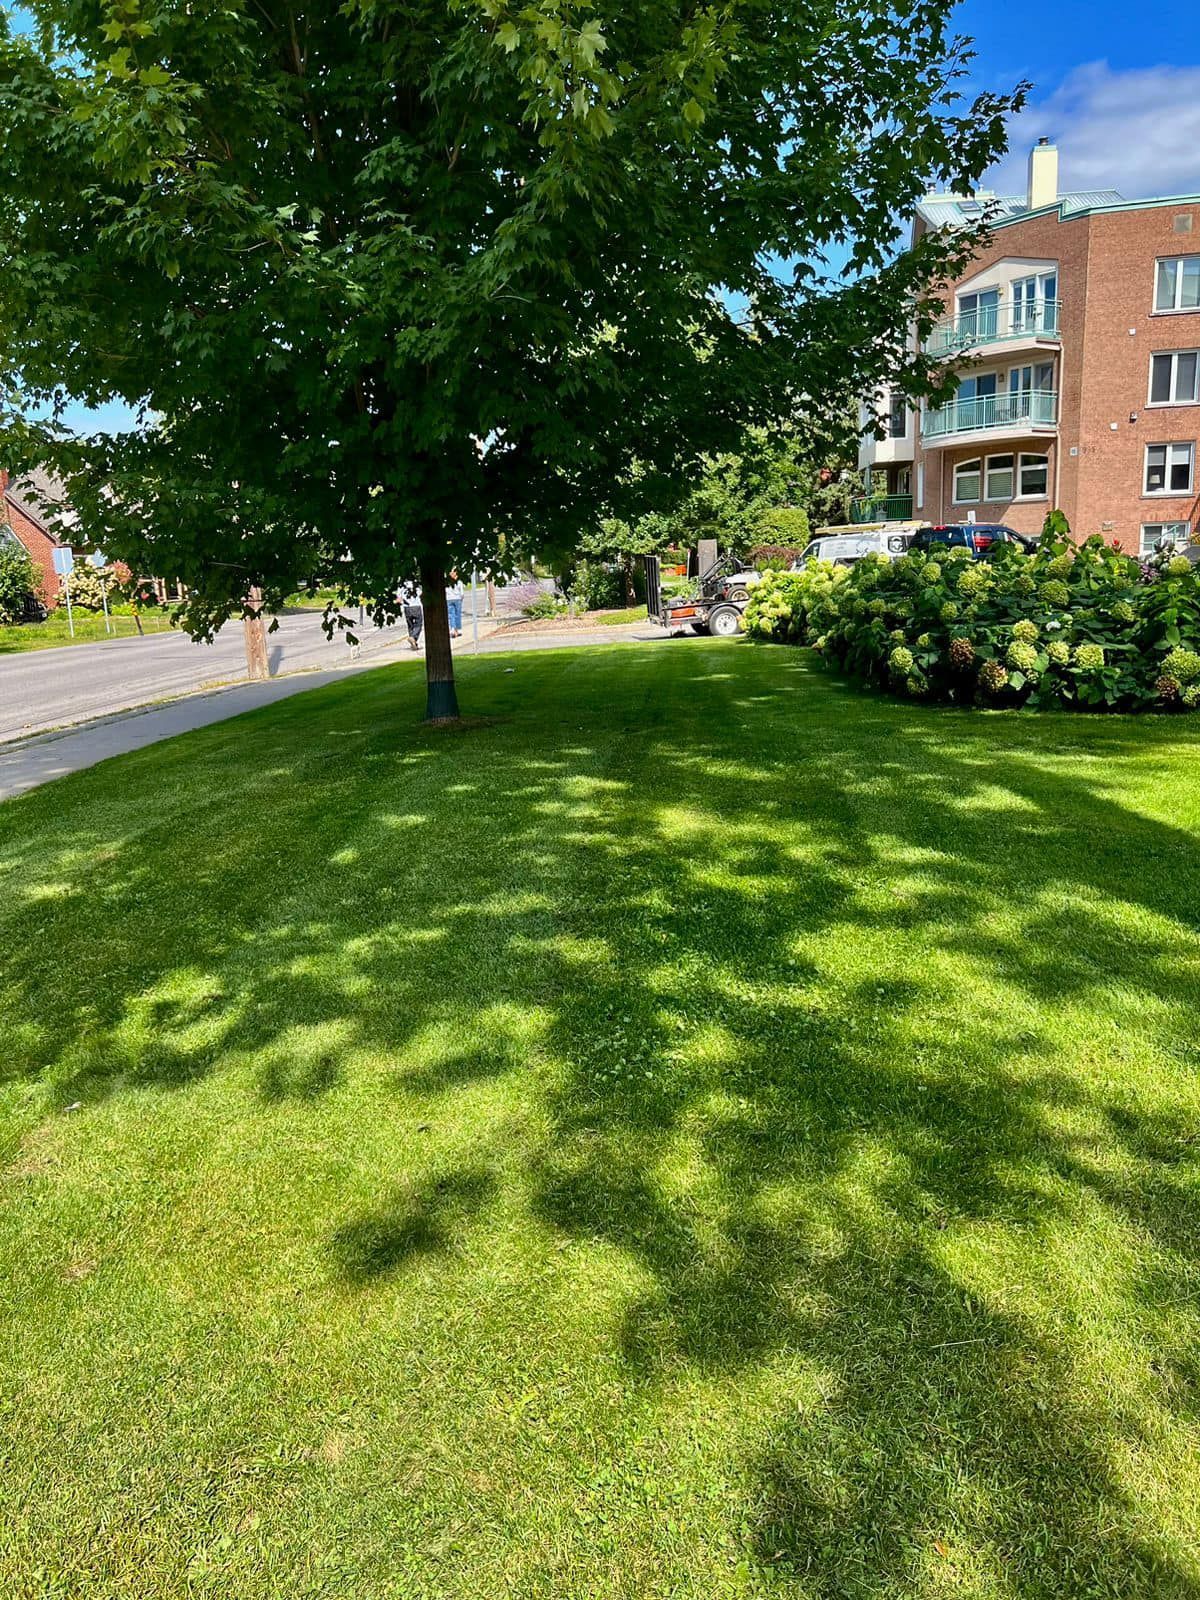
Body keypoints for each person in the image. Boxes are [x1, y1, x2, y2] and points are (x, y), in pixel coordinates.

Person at [400, 580, 423, 651]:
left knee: (410, 625)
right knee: (418, 624)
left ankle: (413, 643)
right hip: (416, 606)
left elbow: (399, 596)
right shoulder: (416, 583)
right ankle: (413, 637)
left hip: (407, 607)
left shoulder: (402, 584)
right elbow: (420, 593)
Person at [446, 571, 465, 637]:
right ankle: (459, 629)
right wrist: (461, 598)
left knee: (451, 615)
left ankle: (452, 629)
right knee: (458, 614)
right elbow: (462, 593)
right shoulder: (459, 581)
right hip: (457, 598)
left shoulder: (447, 582)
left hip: (448, 599)